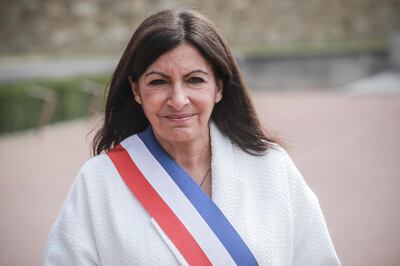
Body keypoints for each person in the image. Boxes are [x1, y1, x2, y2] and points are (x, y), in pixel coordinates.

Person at [43, 8, 340, 266]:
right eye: (159, 82)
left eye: (195, 80)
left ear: (219, 87)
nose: (178, 99)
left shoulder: (272, 169)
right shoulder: (98, 181)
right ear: (136, 90)